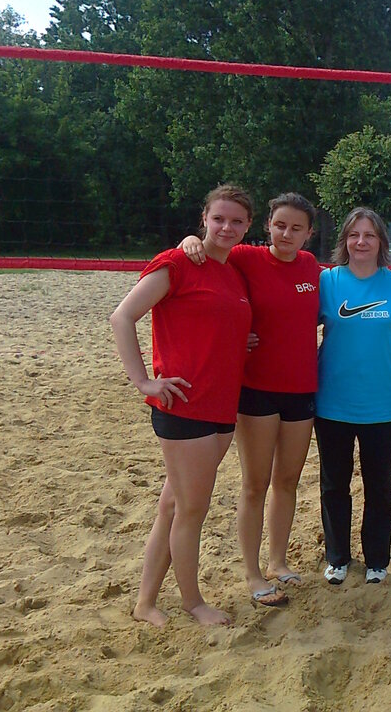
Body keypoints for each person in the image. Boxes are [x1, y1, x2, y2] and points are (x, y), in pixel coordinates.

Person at [110, 184, 253, 626]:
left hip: (221, 406)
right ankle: (193, 602)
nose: (226, 227)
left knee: (172, 508)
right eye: (219, 218)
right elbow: (122, 317)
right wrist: (143, 381)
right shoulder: (177, 262)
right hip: (184, 406)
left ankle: (145, 603)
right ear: (204, 218)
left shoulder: (232, 272)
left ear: (248, 226)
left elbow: (213, 323)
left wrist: (240, 339)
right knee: (192, 510)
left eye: (236, 221)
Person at [180, 192, 320, 607]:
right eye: (280, 225)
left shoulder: (311, 267)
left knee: (288, 481)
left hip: (302, 388)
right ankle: (253, 572)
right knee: (255, 483)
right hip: (257, 388)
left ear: (309, 234)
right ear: (267, 226)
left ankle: (278, 561)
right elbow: (209, 253)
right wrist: (190, 239)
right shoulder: (246, 257)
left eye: (296, 228)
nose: (286, 234)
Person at [315, 207, 391, 586]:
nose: (361, 242)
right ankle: (338, 557)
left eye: (369, 235)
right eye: (354, 234)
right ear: (345, 240)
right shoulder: (328, 281)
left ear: (381, 241)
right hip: (333, 401)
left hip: (383, 402)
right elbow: (292, 322)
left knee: (380, 486)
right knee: (334, 484)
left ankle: (377, 560)